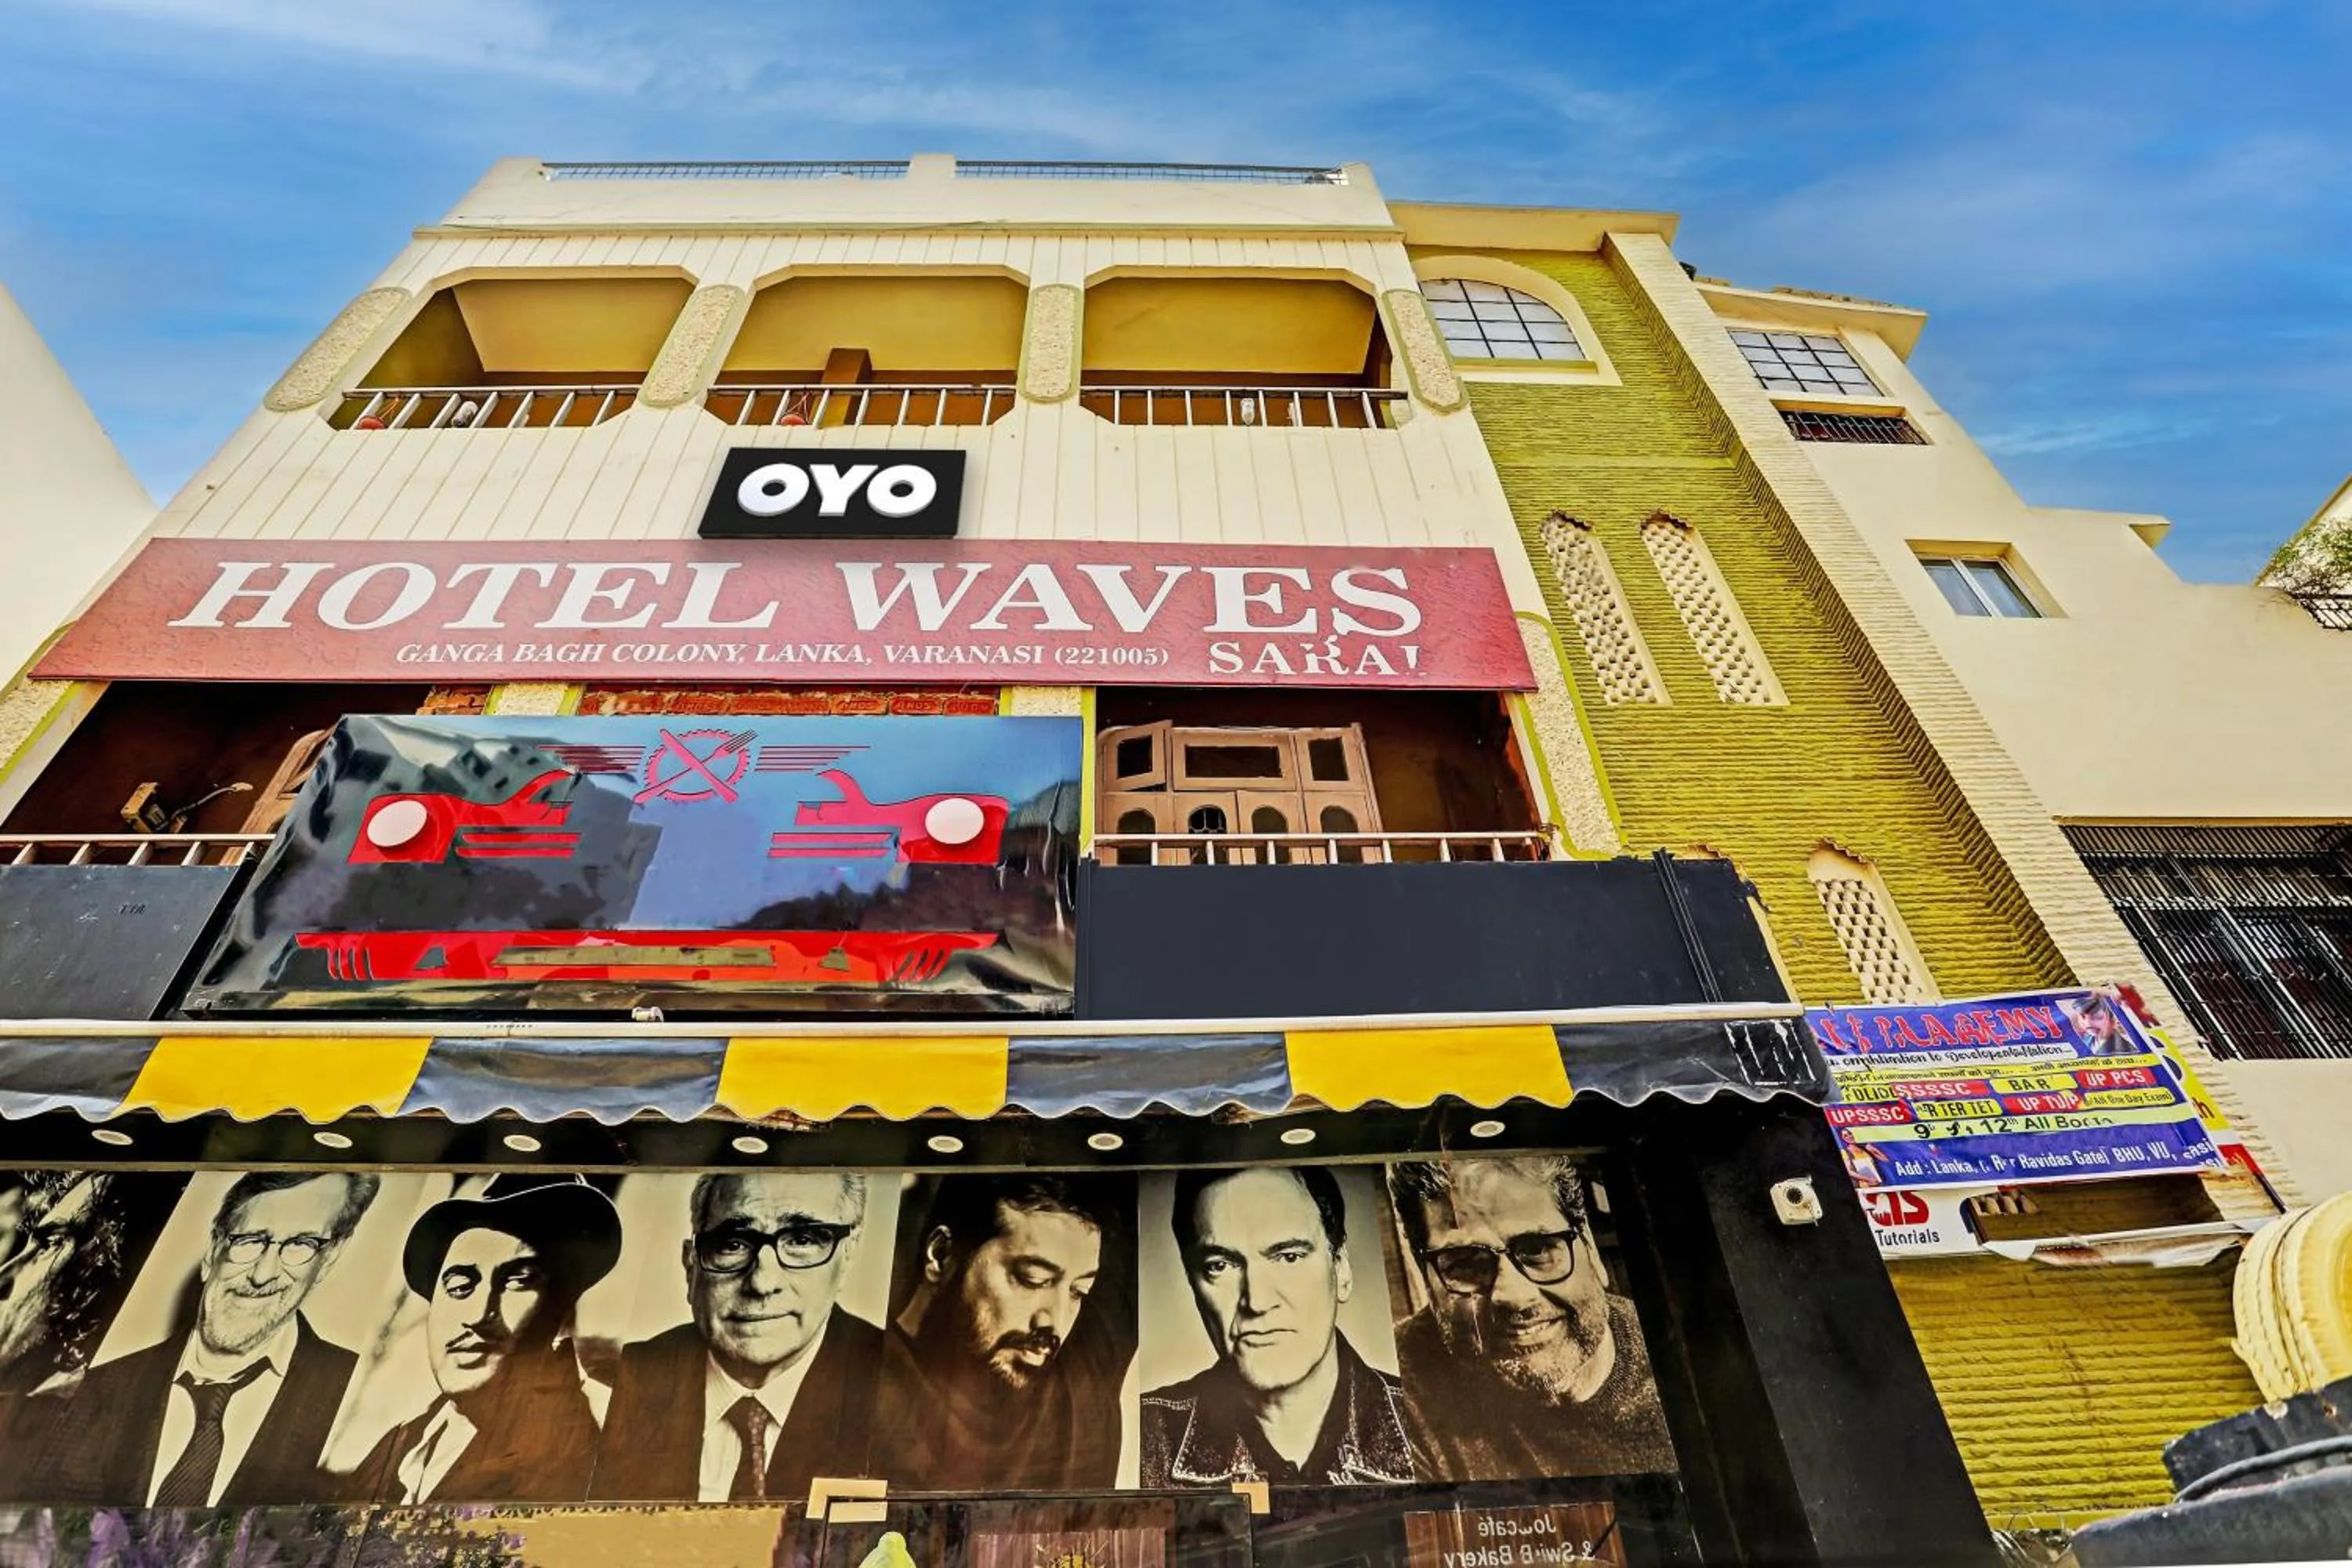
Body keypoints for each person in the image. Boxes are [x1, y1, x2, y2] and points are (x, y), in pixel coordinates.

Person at [34, 1171, 379, 1505]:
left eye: (301, 1244)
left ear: (329, 1258)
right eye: (251, 1240)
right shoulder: (98, 1388)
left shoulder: (353, 1395)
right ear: (214, 1249)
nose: (262, 1275)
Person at [591, 1172, 885, 1502]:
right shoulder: (619, 1386)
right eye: (733, 1245)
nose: (761, 1283)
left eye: (801, 1241)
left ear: (847, 1258)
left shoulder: (901, 1389)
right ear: (691, 1267)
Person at [1386, 1157, 1675, 1479]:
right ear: (1427, 1280)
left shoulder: (1680, 1358)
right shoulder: (1391, 1392)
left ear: (1590, 1247)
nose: (1514, 1297)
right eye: (1465, 1262)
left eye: (1537, 1249)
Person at [344, 1173, 619, 1504]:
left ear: (561, 1311)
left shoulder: (594, 1441)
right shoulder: (403, 1443)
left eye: (518, 1281)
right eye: (459, 1286)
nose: (478, 1315)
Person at [1139, 1167, 1413, 1489]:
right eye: (1219, 1266)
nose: (1258, 1301)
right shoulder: (1143, 1436)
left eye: (1289, 1257)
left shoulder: (1427, 1421)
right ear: (1193, 1285)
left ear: (1341, 1270)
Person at [870, 1173, 1127, 1490]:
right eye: (1032, 1280)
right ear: (941, 1255)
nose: (1055, 1321)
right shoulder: (861, 1390)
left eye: (1078, 1292)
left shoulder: (1082, 1394)